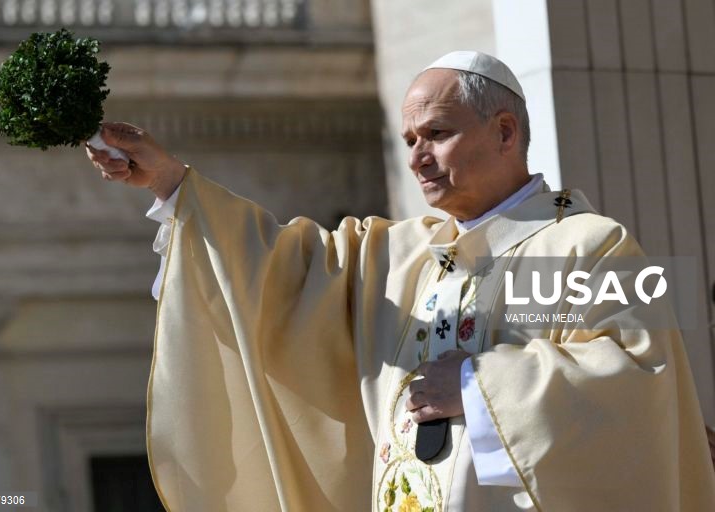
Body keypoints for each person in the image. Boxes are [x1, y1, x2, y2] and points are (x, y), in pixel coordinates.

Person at [87, 51, 715, 511]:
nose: (416, 157)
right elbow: (275, 273)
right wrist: (172, 183)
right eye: (410, 138)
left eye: (437, 134)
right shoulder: (398, 253)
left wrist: (477, 385)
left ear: (505, 132)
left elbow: (640, 384)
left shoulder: (589, 243)